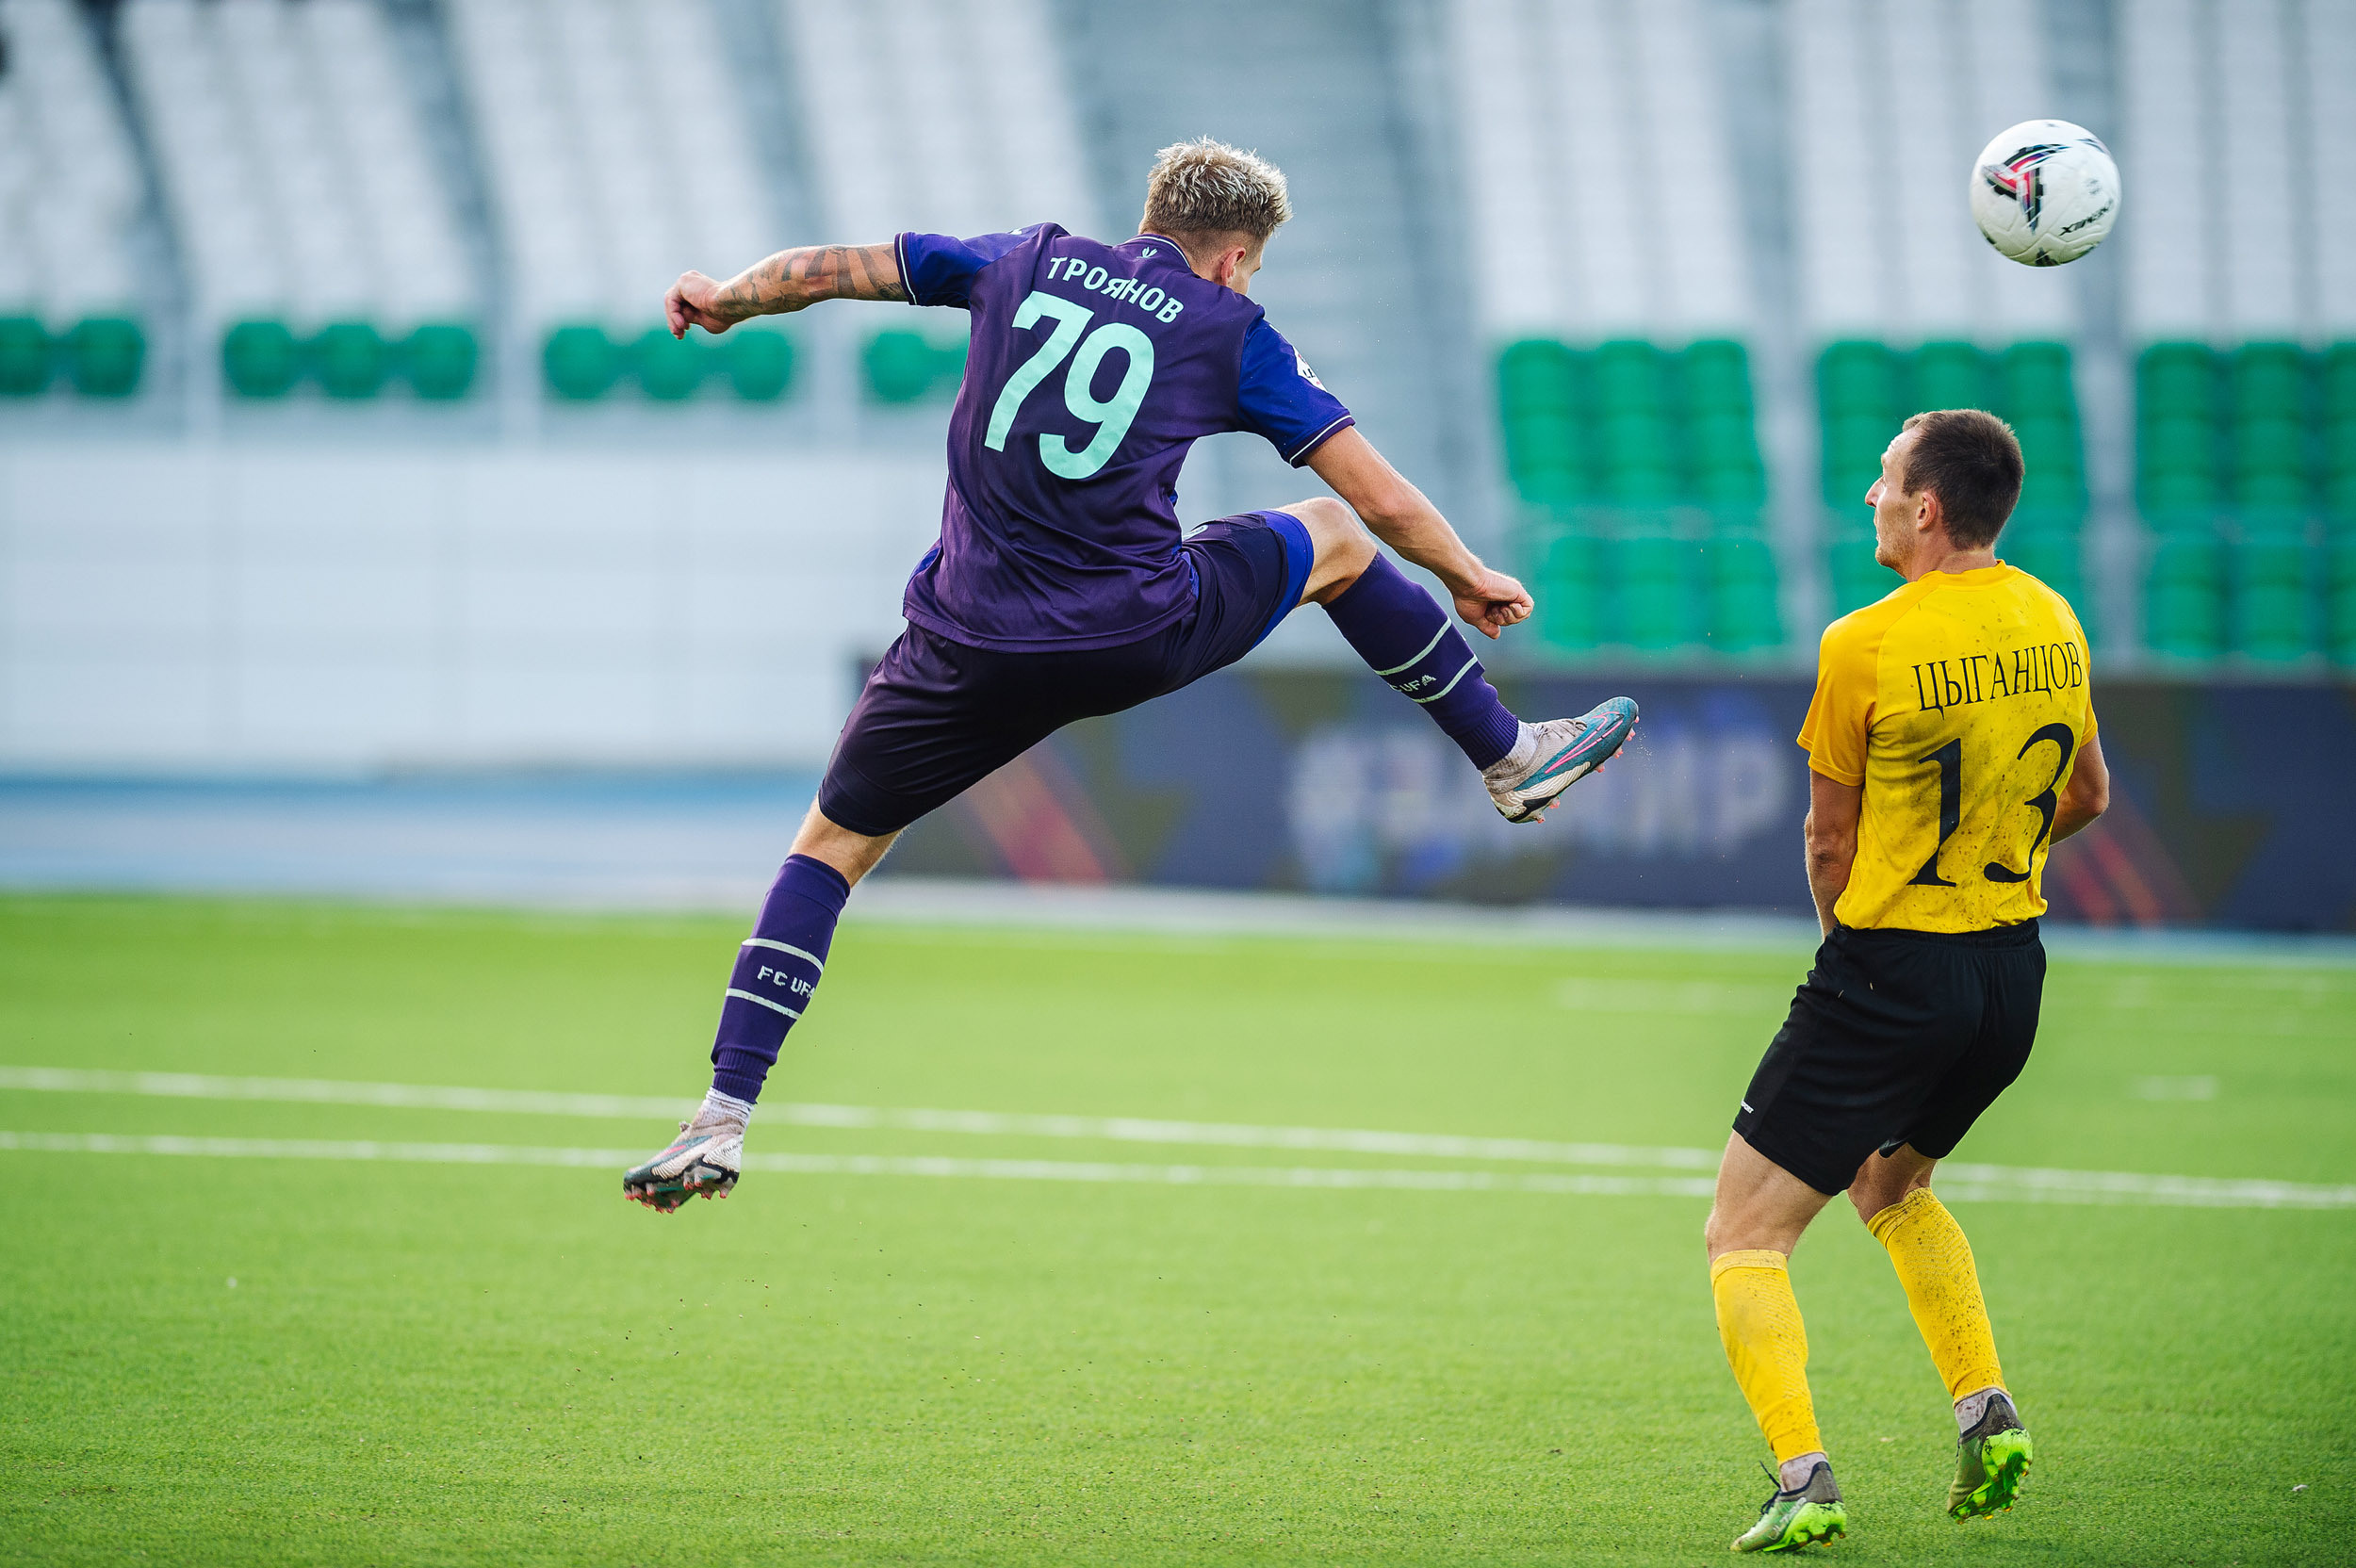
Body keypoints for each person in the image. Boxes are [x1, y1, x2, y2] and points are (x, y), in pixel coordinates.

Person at [623, 139, 1639, 1212]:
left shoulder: (1022, 259)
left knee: (829, 850)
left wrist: (726, 298)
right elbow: (1380, 501)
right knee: (1336, 536)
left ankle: (722, 1116)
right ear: (1235, 259)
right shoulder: (1227, 328)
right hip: (1122, 631)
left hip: (958, 643)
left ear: (1150, 214)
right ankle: (1508, 752)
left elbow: (834, 268)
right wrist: (1466, 574)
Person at [1704, 409, 2109, 1552]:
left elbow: (1828, 844)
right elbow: (2086, 796)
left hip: (1889, 971)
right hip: (2007, 977)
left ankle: (1803, 1476)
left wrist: (1856, 962)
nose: (1870, 498)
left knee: (1743, 1230)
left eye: (1883, 480)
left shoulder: (1863, 643)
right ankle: (1986, 1409)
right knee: (1894, 1186)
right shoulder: (2054, 617)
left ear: (1925, 508)